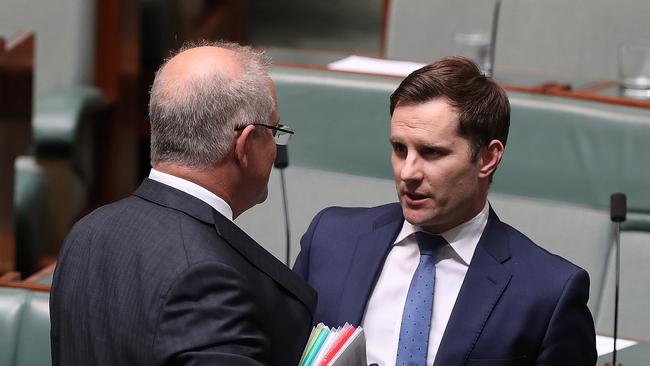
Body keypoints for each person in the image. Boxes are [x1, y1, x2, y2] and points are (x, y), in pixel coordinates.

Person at [293, 56, 597, 366]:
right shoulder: (330, 240)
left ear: (488, 158)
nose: (408, 172)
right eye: (400, 149)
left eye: (431, 152)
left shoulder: (548, 292)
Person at [50, 42, 316, 366]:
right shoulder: (211, 279)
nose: (276, 149)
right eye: (274, 131)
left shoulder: (86, 233)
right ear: (244, 145)